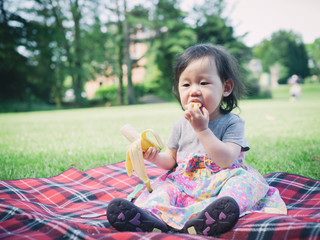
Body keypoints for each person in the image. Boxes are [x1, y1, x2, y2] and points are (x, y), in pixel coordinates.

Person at [107, 44, 287, 236]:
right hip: (186, 184)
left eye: (203, 83)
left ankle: (209, 218)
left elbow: (226, 160)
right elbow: (171, 160)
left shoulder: (232, 122)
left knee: (243, 186)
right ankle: (150, 219)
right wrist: (155, 158)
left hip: (224, 181)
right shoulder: (180, 125)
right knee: (164, 190)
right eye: (186, 84)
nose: (193, 91)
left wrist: (202, 129)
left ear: (226, 88)